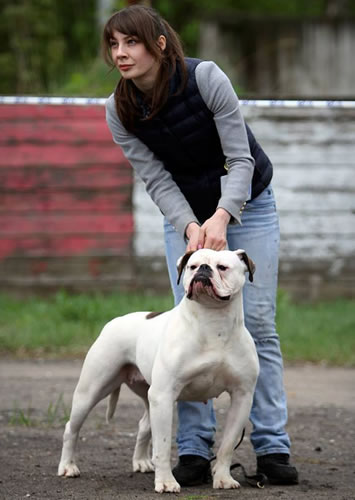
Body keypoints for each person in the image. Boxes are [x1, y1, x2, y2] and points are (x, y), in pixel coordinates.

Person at [103, 4, 298, 487]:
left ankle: (272, 447)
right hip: (185, 214)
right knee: (181, 330)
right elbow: (156, 179)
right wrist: (191, 227)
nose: (121, 54)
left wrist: (223, 215)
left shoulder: (206, 78)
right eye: (113, 44)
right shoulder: (118, 109)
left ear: (160, 44)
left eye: (132, 42)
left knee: (258, 324)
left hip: (248, 201)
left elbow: (240, 157)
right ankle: (191, 451)